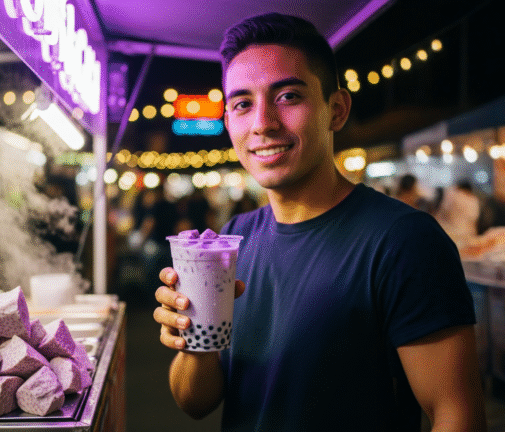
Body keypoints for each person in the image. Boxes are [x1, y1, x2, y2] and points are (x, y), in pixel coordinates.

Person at [152, 13, 487, 432]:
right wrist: (194, 334)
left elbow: (456, 414)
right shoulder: (233, 238)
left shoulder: (404, 241)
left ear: (337, 109)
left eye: (288, 96)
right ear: (228, 122)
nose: (262, 123)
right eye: (242, 104)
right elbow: (195, 402)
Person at [435, 179, 481, 246]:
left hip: (450, 232)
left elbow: (444, 211)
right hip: (467, 235)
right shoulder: (473, 200)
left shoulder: (451, 195)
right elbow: (474, 220)